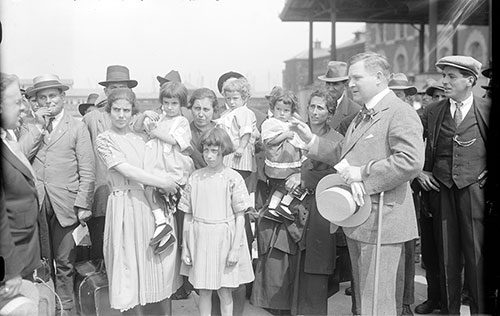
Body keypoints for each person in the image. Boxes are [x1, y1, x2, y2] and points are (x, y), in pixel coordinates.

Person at [291, 52, 424, 315]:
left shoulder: (399, 112)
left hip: (384, 222)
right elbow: (345, 151)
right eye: (349, 78)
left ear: (378, 78)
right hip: (360, 221)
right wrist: (311, 143)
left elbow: (410, 161)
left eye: (356, 77)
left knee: (378, 302)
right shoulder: (365, 113)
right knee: (365, 301)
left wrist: (362, 172)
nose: (350, 83)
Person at [95, 88, 181, 314]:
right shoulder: (104, 139)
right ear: (109, 111)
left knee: (154, 262)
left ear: (132, 111)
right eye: (116, 110)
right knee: (129, 262)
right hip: (125, 204)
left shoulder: (141, 137)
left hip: (149, 202)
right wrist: (162, 182)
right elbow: (128, 170)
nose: (121, 115)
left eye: (126, 110)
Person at [419, 55, 489, 315]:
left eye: (451, 76)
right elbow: (406, 140)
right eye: (444, 76)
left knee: (477, 258)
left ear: (470, 80)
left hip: (474, 192)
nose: (444, 82)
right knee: (446, 257)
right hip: (442, 191)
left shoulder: (486, 108)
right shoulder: (432, 111)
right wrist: (419, 171)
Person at [22, 74, 95, 316]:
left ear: (63, 97)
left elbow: (87, 169)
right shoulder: (30, 127)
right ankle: (49, 308)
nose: (48, 101)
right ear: (36, 101)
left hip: (67, 205)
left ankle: (67, 309)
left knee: (65, 263)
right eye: (42, 97)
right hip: (39, 203)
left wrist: (83, 204)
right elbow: (20, 156)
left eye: (52, 96)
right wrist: (39, 128)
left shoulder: (77, 127)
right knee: (43, 264)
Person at [179, 127, 255, 316]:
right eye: (206, 150)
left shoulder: (233, 178)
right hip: (200, 239)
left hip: (224, 238)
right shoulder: (195, 177)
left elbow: (240, 216)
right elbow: (188, 215)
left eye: (214, 151)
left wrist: (235, 248)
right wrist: (186, 247)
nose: (209, 155)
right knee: (203, 290)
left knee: (225, 290)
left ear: (223, 152)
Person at [290, 88, 344, 315]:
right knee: (291, 265)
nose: (314, 111)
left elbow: (337, 174)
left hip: (321, 208)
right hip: (291, 206)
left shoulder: (336, 140)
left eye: (320, 107)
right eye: (311, 106)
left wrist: (302, 177)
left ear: (330, 114)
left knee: (317, 265)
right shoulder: (293, 131)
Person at [82, 64, 138, 260]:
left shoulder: (135, 119)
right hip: (101, 196)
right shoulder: (91, 119)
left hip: (132, 196)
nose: (118, 92)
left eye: (123, 88)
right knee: (100, 251)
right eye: (114, 88)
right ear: (105, 91)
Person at [133, 81, 194, 255]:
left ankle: (165, 228)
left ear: (181, 104)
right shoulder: (159, 118)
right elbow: (137, 128)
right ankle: (162, 224)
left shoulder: (181, 121)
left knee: (167, 200)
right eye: (166, 103)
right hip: (155, 166)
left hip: (171, 167)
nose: (169, 107)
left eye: (174, 103)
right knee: (149, 189)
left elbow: (176, 141)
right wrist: (144, 114)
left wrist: (154, 131)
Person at [0, 73, 39, 316]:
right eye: (16, 102)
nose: (23, 107)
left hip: (22, 254)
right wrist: (11, 270)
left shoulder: (8, 139)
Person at [388, 72, 419, 316]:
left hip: (413, 190)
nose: (397, 98)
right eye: (393, 93)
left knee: (408, 249)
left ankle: (405, 300)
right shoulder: (386, 116)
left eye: (401, 93)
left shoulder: (411, 116)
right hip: (395, 189)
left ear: (407, 96)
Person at [260, 89, 306, 221]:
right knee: (282, 185)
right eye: (278, 109)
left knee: (292, 184)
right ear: (272, 109)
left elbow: (300, 123)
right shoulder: (271, 123)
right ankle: (276, 206)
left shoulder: (289, 122)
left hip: (291, 158)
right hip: (280, 159)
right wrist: (284, 135)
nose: (281, 113)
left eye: (286, 110)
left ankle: (279, 206)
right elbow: (269, 141)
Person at [318, 60, 361, 130]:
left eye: (335, 84)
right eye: (328, 83)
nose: (330, 89)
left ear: (346, 85)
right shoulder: (316, 106)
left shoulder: (355, 111)